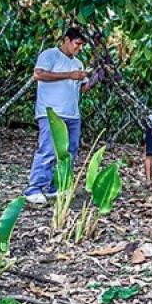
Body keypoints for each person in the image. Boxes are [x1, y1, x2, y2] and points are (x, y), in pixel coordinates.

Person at [24, 28, 91, 205]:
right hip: (52, 112)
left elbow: (83, 88)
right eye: (77, 44)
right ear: (67, 40)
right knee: (48, 150)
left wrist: (91, 78)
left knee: (70, 152)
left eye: (82, 45)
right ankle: (35, 188)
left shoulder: (78, 63)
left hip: (72, 114)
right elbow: (38, 74)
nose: (79, 48)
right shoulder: (50, 55)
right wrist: (69, 75)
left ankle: (57, 187)